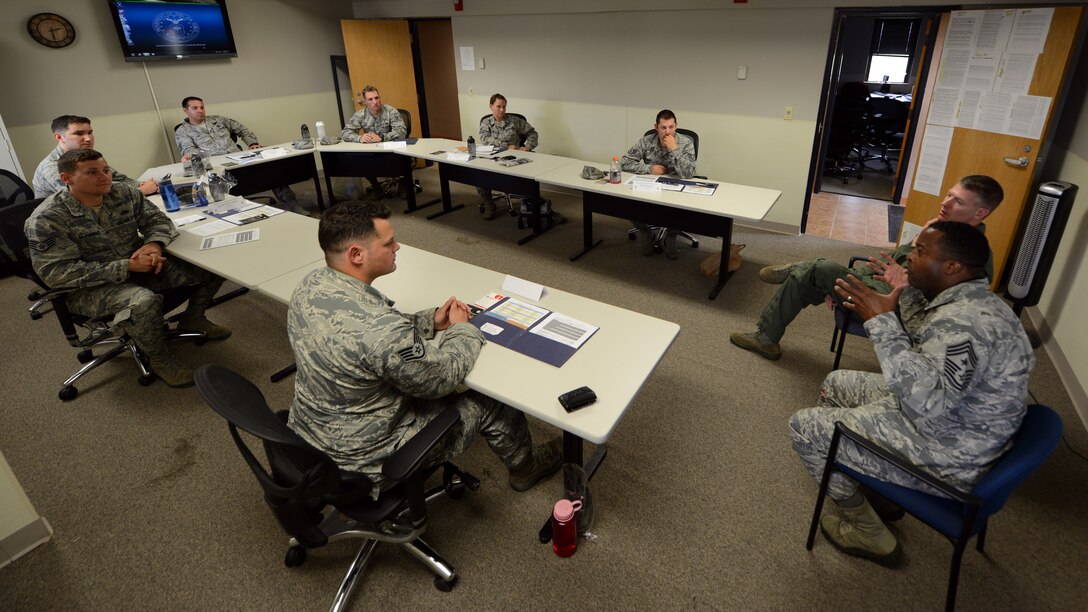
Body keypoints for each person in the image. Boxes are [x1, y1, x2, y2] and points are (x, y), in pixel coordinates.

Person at [788, 221, 1034, 567]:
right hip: (956, 419)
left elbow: (927, 402)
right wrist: (900, 294)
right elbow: (928, 353)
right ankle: (865, 476)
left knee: (803, 426)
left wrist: (881, 321)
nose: (910, 258)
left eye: (920, 252)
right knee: (837, 383)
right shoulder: (974, 301)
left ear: (952, 267)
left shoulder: (966, 325)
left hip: (949, 451)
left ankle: (868, 531)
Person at [287, 201, 563, 496]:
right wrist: (461, 328)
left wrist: (430, 321)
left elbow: (367, 330)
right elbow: (444, 377)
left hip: (308, 439)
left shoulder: (311, 285)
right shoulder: (381, 330)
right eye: (389, 242)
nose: (398, 247)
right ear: (356, 254)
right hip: (367, 461)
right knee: (490, 400)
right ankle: (527, 467)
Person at [730, 175, 1004, 361]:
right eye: (949, 195)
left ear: (980, 214)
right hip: (880, 287)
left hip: (894, 311)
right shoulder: (940, 230)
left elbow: (936, 309)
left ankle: (795, 280)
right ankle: (767, 335)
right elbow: (888, 266)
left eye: (958, 201)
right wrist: (853, 282)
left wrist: (899, 283)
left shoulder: (970, 257)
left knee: (819, 267)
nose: (945, 203)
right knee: (810, 278)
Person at [25, 149, 230, 388]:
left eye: (105, 170)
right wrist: (126, 266)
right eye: (92, 173)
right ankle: (158, 357)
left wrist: (153, 244)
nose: (104, 177)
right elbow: (56, 274)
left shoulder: (123, 193)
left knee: (211, 264)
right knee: (142, 301)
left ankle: (193, 318)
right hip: (89, 289)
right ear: (66, 179)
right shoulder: (47, 218)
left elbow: (159, 221)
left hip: (141, 268)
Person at [174, 96, 299, 208]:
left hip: (239, 158)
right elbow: (189, 152)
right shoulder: (182, 131)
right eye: (195, 108)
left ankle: (291, 201)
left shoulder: (217, 120)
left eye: (202, 107)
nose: (200, 110)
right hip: (215, 167)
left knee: (271, 169)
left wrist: (252, 143)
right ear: (186, 110)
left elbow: (242, 129)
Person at [620, 109, 697, 258]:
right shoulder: (647, 141)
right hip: (650, 185)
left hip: (675, 186)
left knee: (682, 206)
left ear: (676, 126)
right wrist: (649, 168)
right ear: (656, 127)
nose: (667, 132)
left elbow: (688, 174)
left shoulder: (686, 143)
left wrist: (675, 149)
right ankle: (645, 232)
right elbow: (624, 162)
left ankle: (671, 236)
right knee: (629, 200)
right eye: (663, 127)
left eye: (671, 127)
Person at [33, 115, 158, 198]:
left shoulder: (86, 156)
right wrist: (141, 191)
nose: (88, 138)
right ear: (59, 137)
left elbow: (118, 179)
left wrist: (143, 185)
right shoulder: (51, 166)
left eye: (90, 133)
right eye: (79, 134)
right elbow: (85, 195)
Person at [476, 93, 538, 220]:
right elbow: (485, 139)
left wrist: (528, 147)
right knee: (478, 173)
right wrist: (506, 145)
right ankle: (489, 203)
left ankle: (531, 202)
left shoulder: (515, 121)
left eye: (504, 106)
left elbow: (532, 133)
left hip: (513, 159)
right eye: (498, 106)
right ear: (491, 106)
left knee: (528, 179)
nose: (502, 110)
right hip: (492, 158)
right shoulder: (486, 122)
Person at [339, 86, 408, 202]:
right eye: (370, 99)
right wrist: (359, 138)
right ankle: (375, 185)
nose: (375, 102)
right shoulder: (360, 115)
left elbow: (402, 132)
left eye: (377, 98)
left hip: (392, 148)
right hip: (372, 150)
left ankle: (403, 182)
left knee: (402, 159)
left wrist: (382, 138)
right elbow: (345, 132)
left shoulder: (391, 111)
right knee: (359, 161)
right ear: (365, 102)